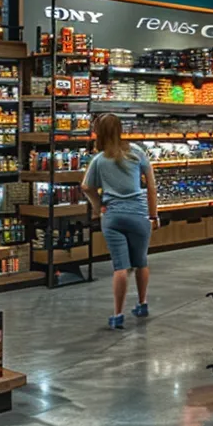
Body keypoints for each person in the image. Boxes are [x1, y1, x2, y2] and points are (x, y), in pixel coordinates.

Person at [82, 113, 160, 329]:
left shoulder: (98, 160)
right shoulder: (137, 152)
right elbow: (151, 187)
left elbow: (86, 187)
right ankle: (142, 303)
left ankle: (117, 315)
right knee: (141, 261)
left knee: (120, 267)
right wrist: (153, 215)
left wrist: (99, 207)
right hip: (138, 214)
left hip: (113, 217)